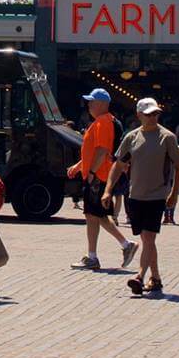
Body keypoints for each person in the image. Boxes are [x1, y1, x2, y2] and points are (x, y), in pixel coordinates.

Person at [104, 98, 179, 296]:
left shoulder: (167, 137)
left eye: (156, 113)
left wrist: (174, 193)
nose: (153, 117)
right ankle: (155, 279)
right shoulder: (131, 138)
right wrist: (108, 189)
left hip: (157, 195)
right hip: (135, 195)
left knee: (148, 237)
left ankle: (139, 276)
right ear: (139, 115)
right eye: (149, 114)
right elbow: (119, 164)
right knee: (147, 239)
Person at [67, 89, 137, 271]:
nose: (89, 105)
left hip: (99, 177)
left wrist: (90, 171)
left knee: (95, 215)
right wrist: (80, 166)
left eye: (92, 101)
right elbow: (94, 151)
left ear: (103, 104)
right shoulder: (104, 121)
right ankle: (98, 254)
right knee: (96, 216)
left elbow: (102, 151)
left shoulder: (103, 122)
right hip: (100, 175)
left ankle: (120, 247)